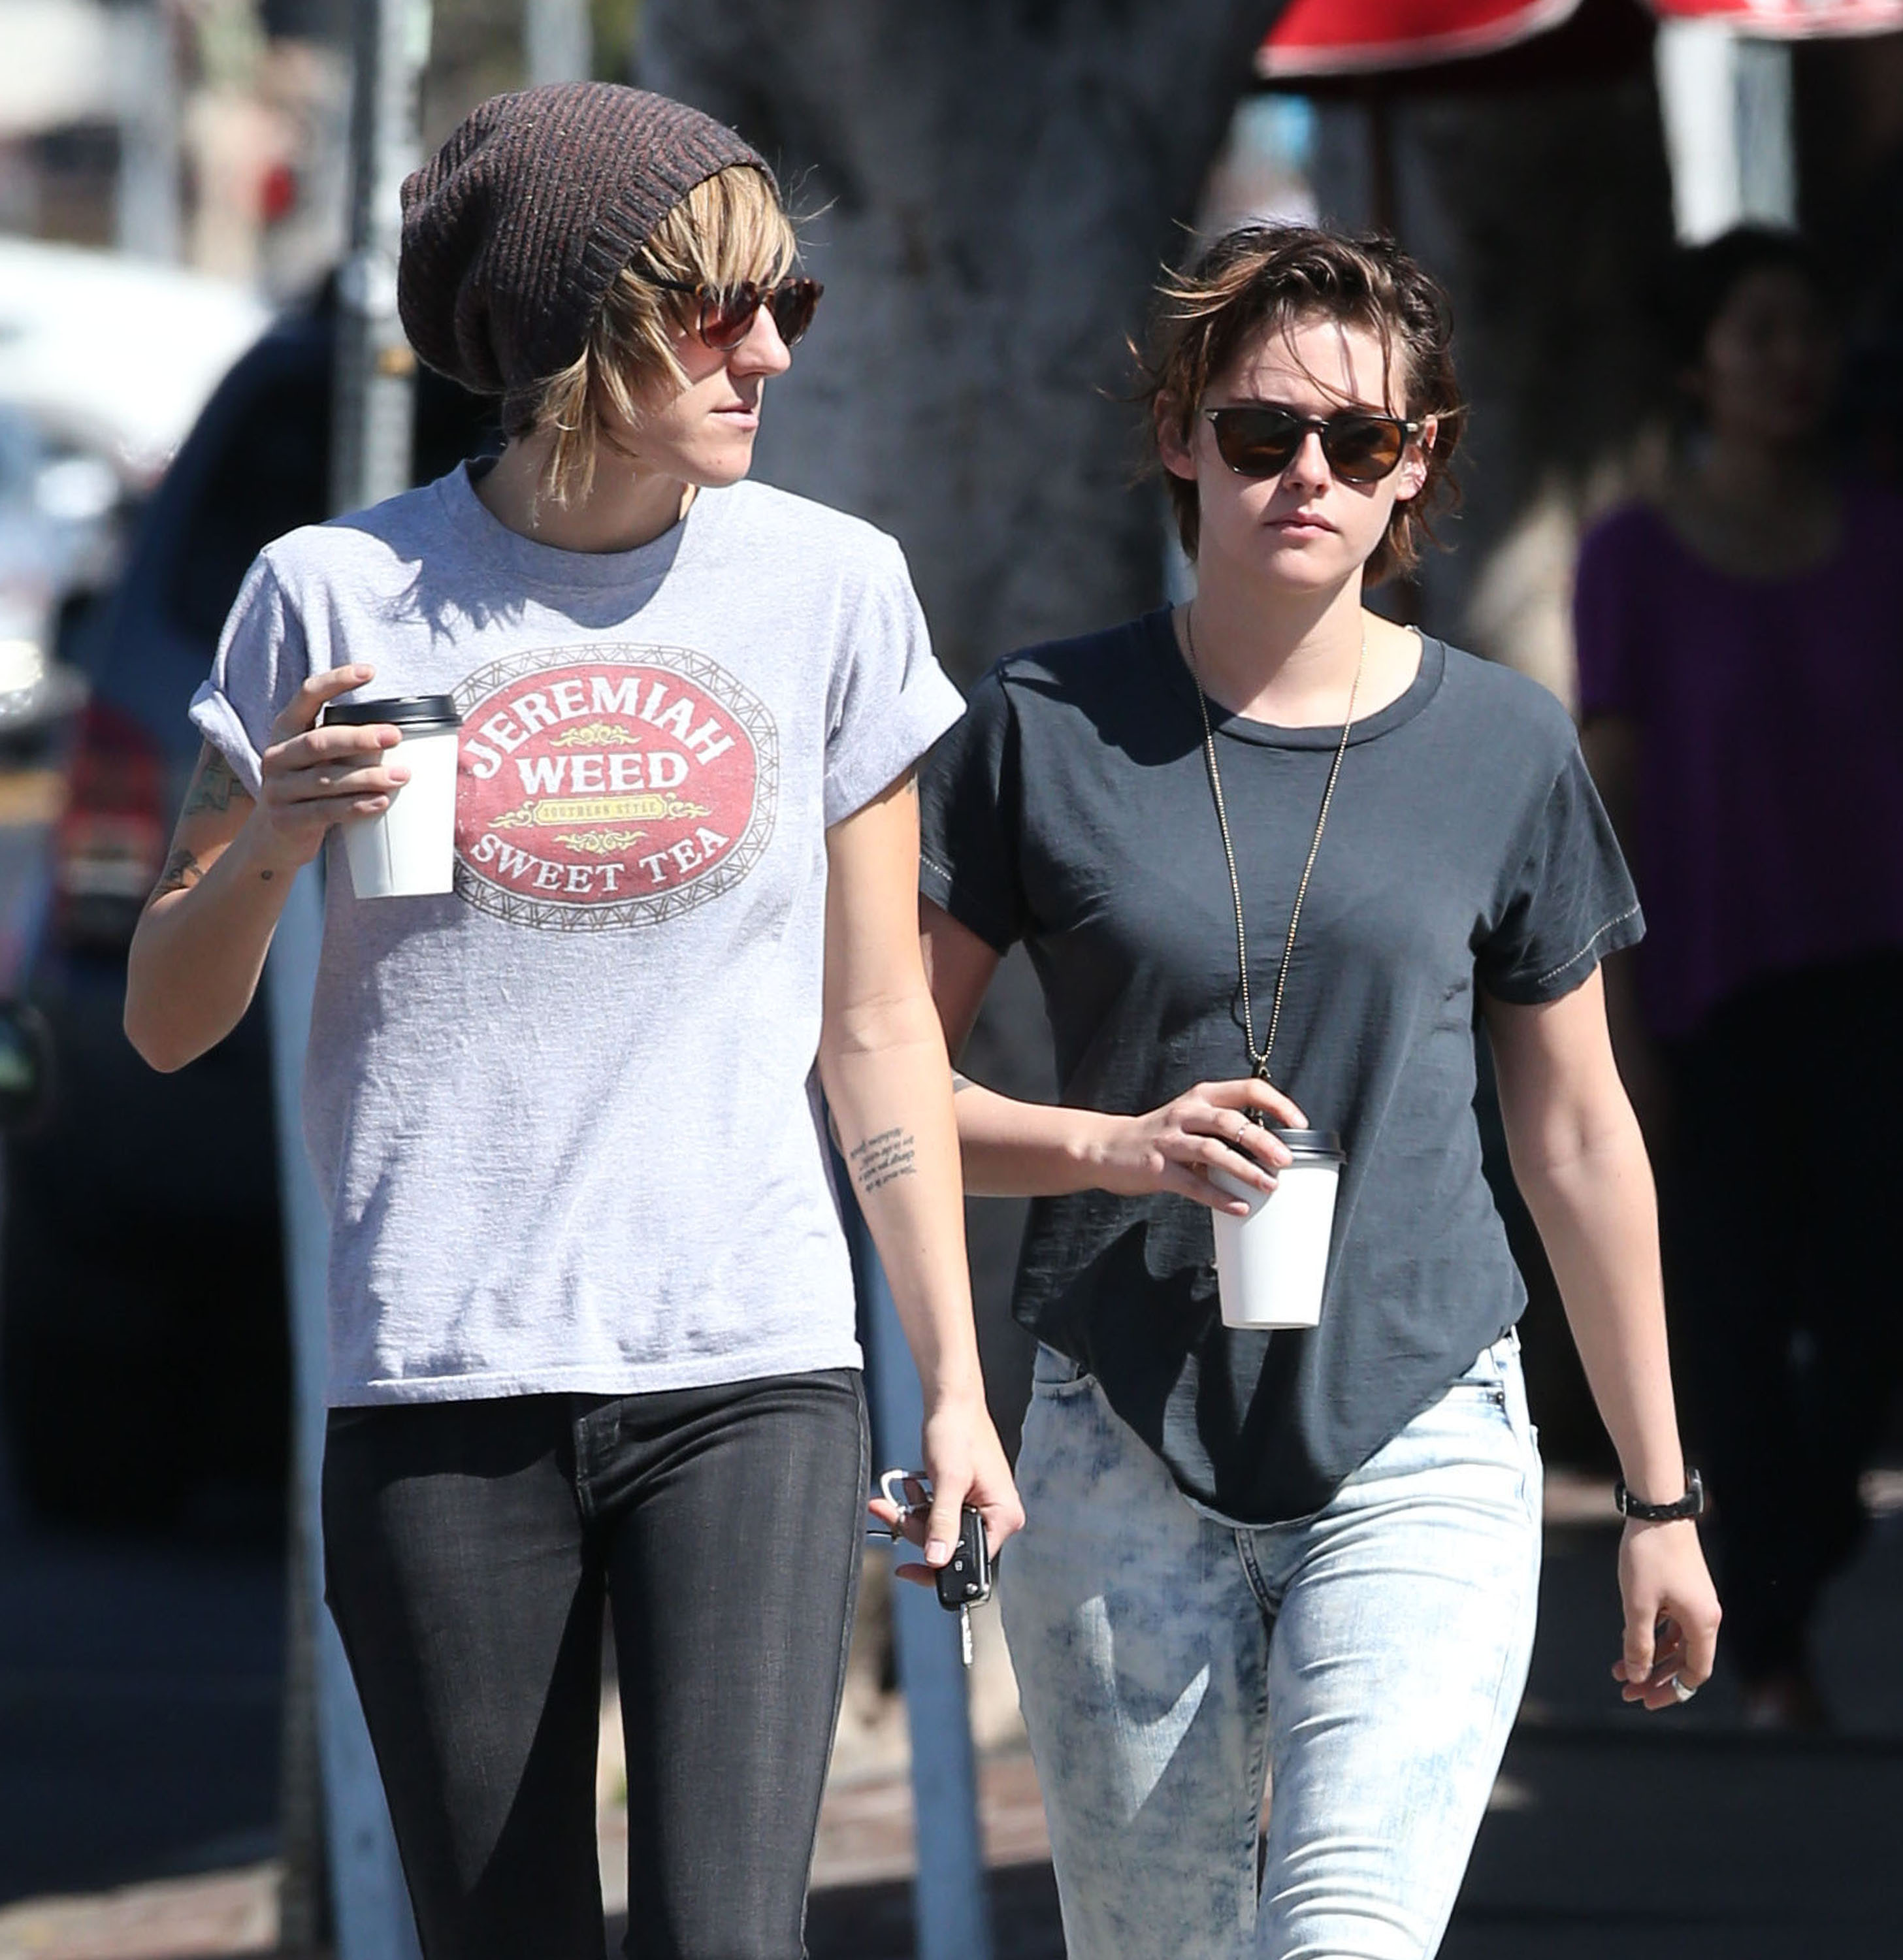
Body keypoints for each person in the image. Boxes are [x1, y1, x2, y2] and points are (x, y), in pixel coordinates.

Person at [122, 82, 1020, 1960]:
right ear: (570, 328)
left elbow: (876, 1025)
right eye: (719, 311)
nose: (769, 353)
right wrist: (273, 840)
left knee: (728, 1940)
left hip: (750, 1363)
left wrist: (950, 1380)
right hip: (441, 1379)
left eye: (787, 304)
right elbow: (164, 1018)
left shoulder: (832, 589)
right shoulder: (333, 596)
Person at [907, 225, 1720, 1960]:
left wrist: (1658, 1501)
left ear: (1414, 462)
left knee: (1343, 1934)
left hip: (1418, 1421)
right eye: (1260, 430)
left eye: (1358, 441)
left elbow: (1579, 1136)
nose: (1307, 475)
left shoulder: (1503, 744)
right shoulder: (1041, 725)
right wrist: (1110, 1147)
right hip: (1118, 1435)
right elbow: (882, 1091)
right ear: (1178, 434)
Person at [1576, 225, 1903, 1731]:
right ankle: (1768, 1635)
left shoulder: (1884, 537)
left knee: (1872, 1312)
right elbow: (1607, 791)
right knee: (1729, 1324)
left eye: (1805, 329)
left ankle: (1779, 1575)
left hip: (1873, 989)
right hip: (1704, 997)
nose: (1789, 360)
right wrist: (1613, 1025)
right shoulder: (1629, 557)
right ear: (1696, 363)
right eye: (1754, 330)